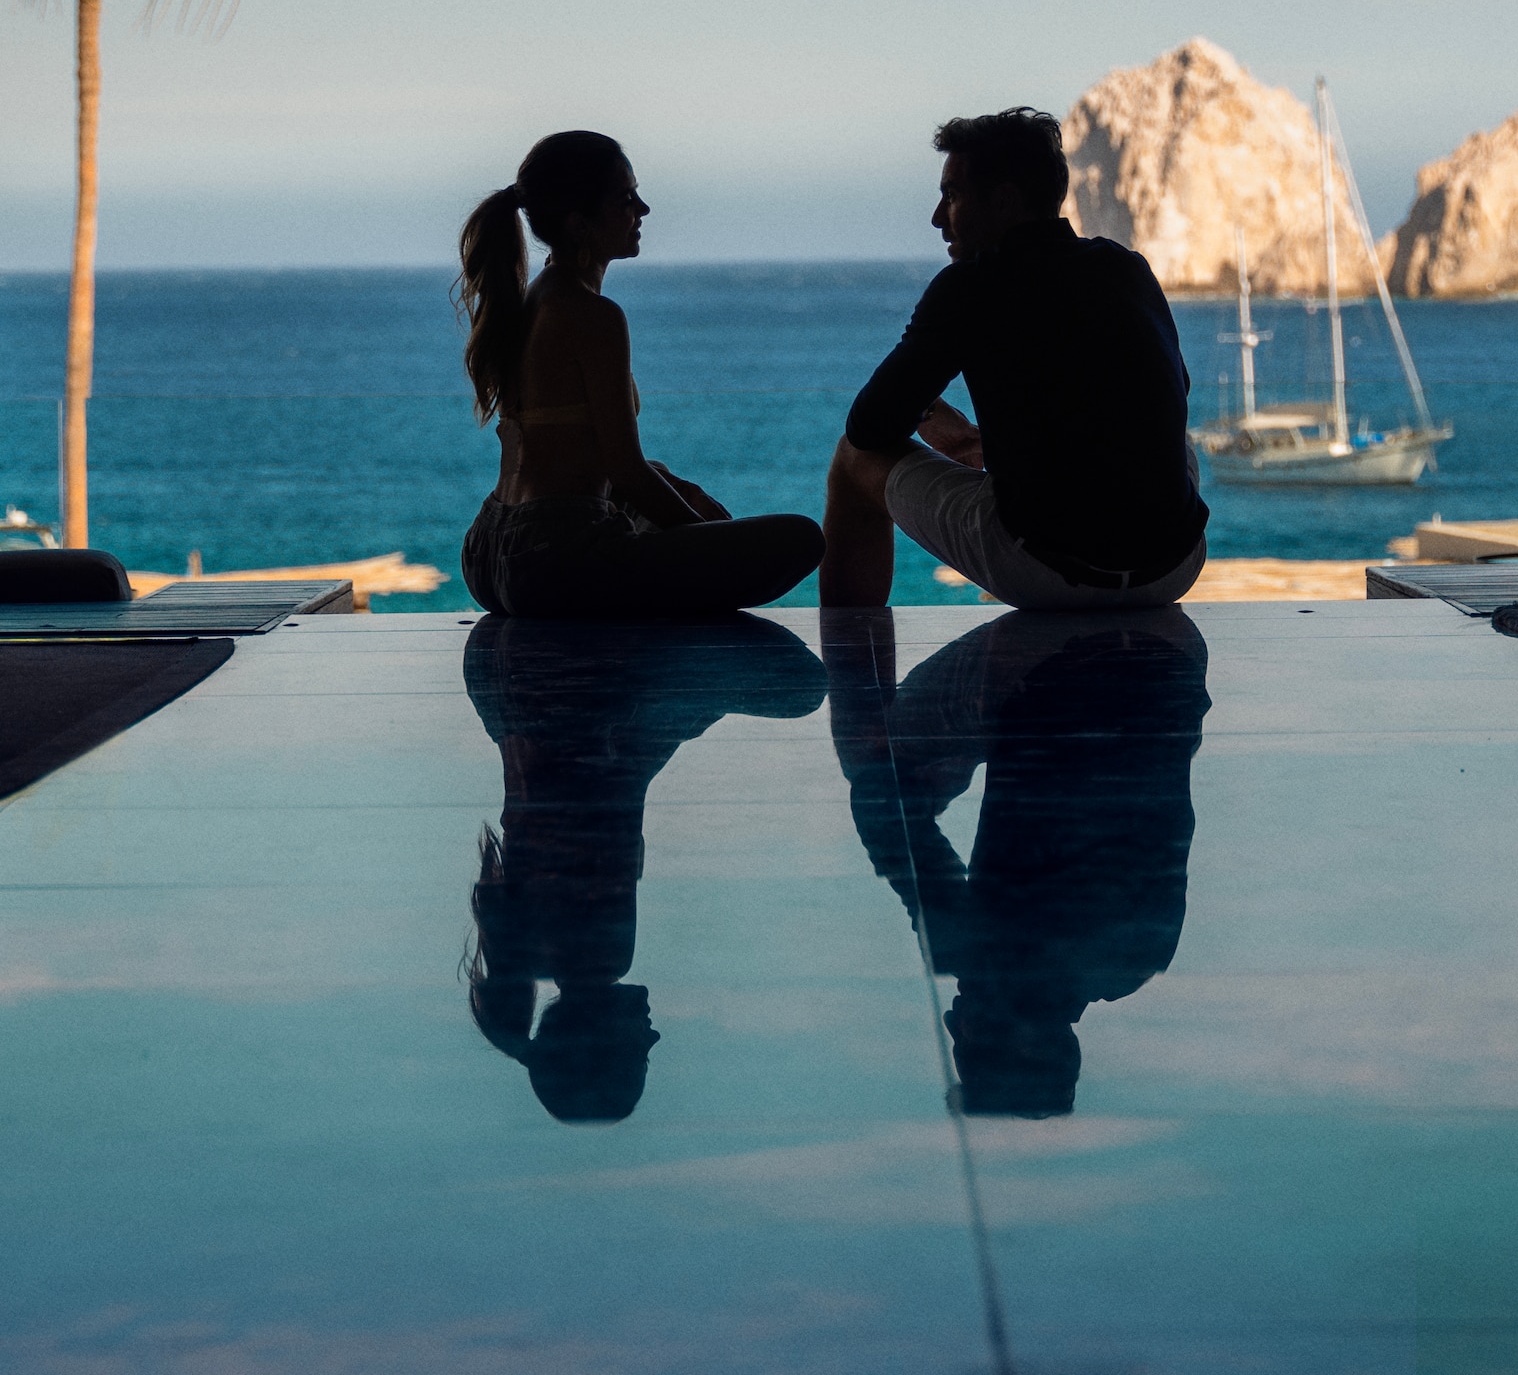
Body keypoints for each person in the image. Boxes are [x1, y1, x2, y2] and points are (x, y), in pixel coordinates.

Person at [825, 605, 1210, 1118]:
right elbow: (881, 800)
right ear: (976, 1032)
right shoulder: (976, 952)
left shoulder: (1138, 962)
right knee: (873, 761)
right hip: (1038, 660)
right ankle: (852, 610)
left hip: (1175, 653)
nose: (949, 1020)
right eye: (962, 1041)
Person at [821, 107, 1207, 609]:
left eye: (952, 196)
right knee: (1158, 427)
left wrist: (940, 425)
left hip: (1051, 573)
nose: (938, 218)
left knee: (853, 460)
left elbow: (868, 426)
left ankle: (850, 673)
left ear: (1004, 202)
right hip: (1173, 566)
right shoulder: (1128, 268)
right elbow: (1170, 391)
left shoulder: (971, 285)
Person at [462, 611, 826, 1122]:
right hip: (505, 681)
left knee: (801, 686)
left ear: (600, 1043)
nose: (654, 1036)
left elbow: (600, 797)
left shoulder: (602, 957)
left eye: (641, 1054)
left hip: (572, 689)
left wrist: (683, 702)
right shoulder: (532, 954)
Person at [457, 131, 823, 617]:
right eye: (625, 198)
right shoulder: (593, 314)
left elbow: (586, 454)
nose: (643, 209)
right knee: (800, 538)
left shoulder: (530, 301)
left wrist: (675, 487)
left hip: (488, 551)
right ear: (579, 222)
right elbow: (625, 471)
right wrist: (704, 539)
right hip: (556, 563)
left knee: (663, 491)